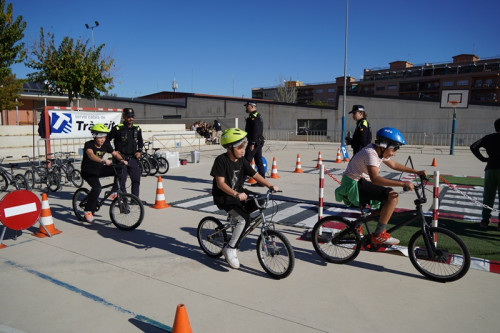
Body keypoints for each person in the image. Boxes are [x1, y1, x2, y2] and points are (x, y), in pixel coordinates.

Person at [335, 127, 427, 245]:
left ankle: (359, 223)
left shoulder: (379, 152)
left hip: (362, 182)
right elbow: (376, 179)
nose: (394, 153)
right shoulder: (371, 153)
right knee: (393, 196)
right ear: (384, 145)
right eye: (394, 149)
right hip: (354, 184)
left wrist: (416, 172)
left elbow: (393, 165)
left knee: (385, 207)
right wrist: (402, 184)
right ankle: (379, 234)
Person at [210, 128, 279, 269]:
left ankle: (236, 220)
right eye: (240, 148)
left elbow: (254, 174)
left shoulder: (242, 160)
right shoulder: (221, 161)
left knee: (259, 201)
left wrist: (269, 185)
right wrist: (235, 194)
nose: (243, 151)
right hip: (224, 197)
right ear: (230, 148)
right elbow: (220, 183)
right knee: (244, 219)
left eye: (244, 147)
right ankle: (230, 247)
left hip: (239, 193)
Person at [81, 124, 127, 223]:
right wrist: (102, 160)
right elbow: (91, 155)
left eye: (104, 137)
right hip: (88, 171)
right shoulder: (89, 144)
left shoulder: (106, 143)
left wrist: (122, 160)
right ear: (95, 136)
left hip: (99, 169)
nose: (103, 139)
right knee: (97, 188)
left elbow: (114, 153)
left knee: (119, 169)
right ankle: (88, 211)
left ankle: (114, 191)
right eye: (100, 137)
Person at [106, 108, 144, 200]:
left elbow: (140, 141)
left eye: (132, 116)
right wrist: (113, 152)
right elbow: (106, 141)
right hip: (121, 159)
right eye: (129, 116)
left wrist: (139, 151)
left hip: (133, 159)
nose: (131, 118)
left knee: (136, 179)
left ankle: (135, 199)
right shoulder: (117, 129)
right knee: (122, 182)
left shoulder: (137, 129)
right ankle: (123, 201)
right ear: (124, 116)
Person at [470, 118, 500, 230]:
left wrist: (483, 159)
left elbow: (473, 147)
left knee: (488, 195)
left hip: (490, 168)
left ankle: (485, 220)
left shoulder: (489, 137)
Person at [244, 101, 265, 181]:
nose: (246, 108)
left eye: (247, 106)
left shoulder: (254, 116)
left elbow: (255, 130)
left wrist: (252, 143)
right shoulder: (256, 115)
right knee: (258, 161)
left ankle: (240, 182)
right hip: (258, 141)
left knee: (245, 162)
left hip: (255, 142)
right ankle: (262, 180)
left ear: (252, 106)